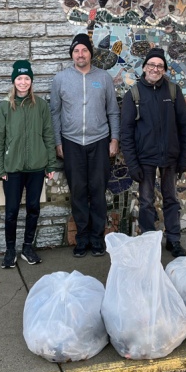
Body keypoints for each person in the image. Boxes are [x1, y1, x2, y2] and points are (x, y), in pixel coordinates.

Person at [50, 33, 120, 257]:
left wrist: (114, 139)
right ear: (72, 54)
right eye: (76, 51)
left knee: (98, 191)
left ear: (91, 53)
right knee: (78, 191)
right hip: (71, 143)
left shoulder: (104, 78)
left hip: (99, 141)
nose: (80, 54)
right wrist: (58, 141)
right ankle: (82, 238)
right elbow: (55, 113)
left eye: (84, 50)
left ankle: (97, 239)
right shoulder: (60, 79)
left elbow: (113, 111)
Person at [120, 47, 186, 257]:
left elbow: (184, 126)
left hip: (170, 157)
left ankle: (174, 241)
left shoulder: (172, 91)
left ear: (164, 69)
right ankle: (149, 242)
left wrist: (184, 157)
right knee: (146, 202)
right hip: (145, 159)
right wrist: (132, 164)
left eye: (160, 66)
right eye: (151, 65)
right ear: (144, 67)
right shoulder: (133, 94)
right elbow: (127, 132)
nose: (155, 69)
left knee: (171, 200)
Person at [0, 60, 58, 269]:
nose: (23, 82)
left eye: (27, 78)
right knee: (11, 210)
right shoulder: (5, 106)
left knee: (33, 207)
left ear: (31, 81)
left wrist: (50, 164)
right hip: (12, 168)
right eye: (19, 78)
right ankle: (10, 250)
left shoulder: (40, 105)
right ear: (14, 81)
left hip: (37, 167)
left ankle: (27, 247)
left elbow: (48, 134)